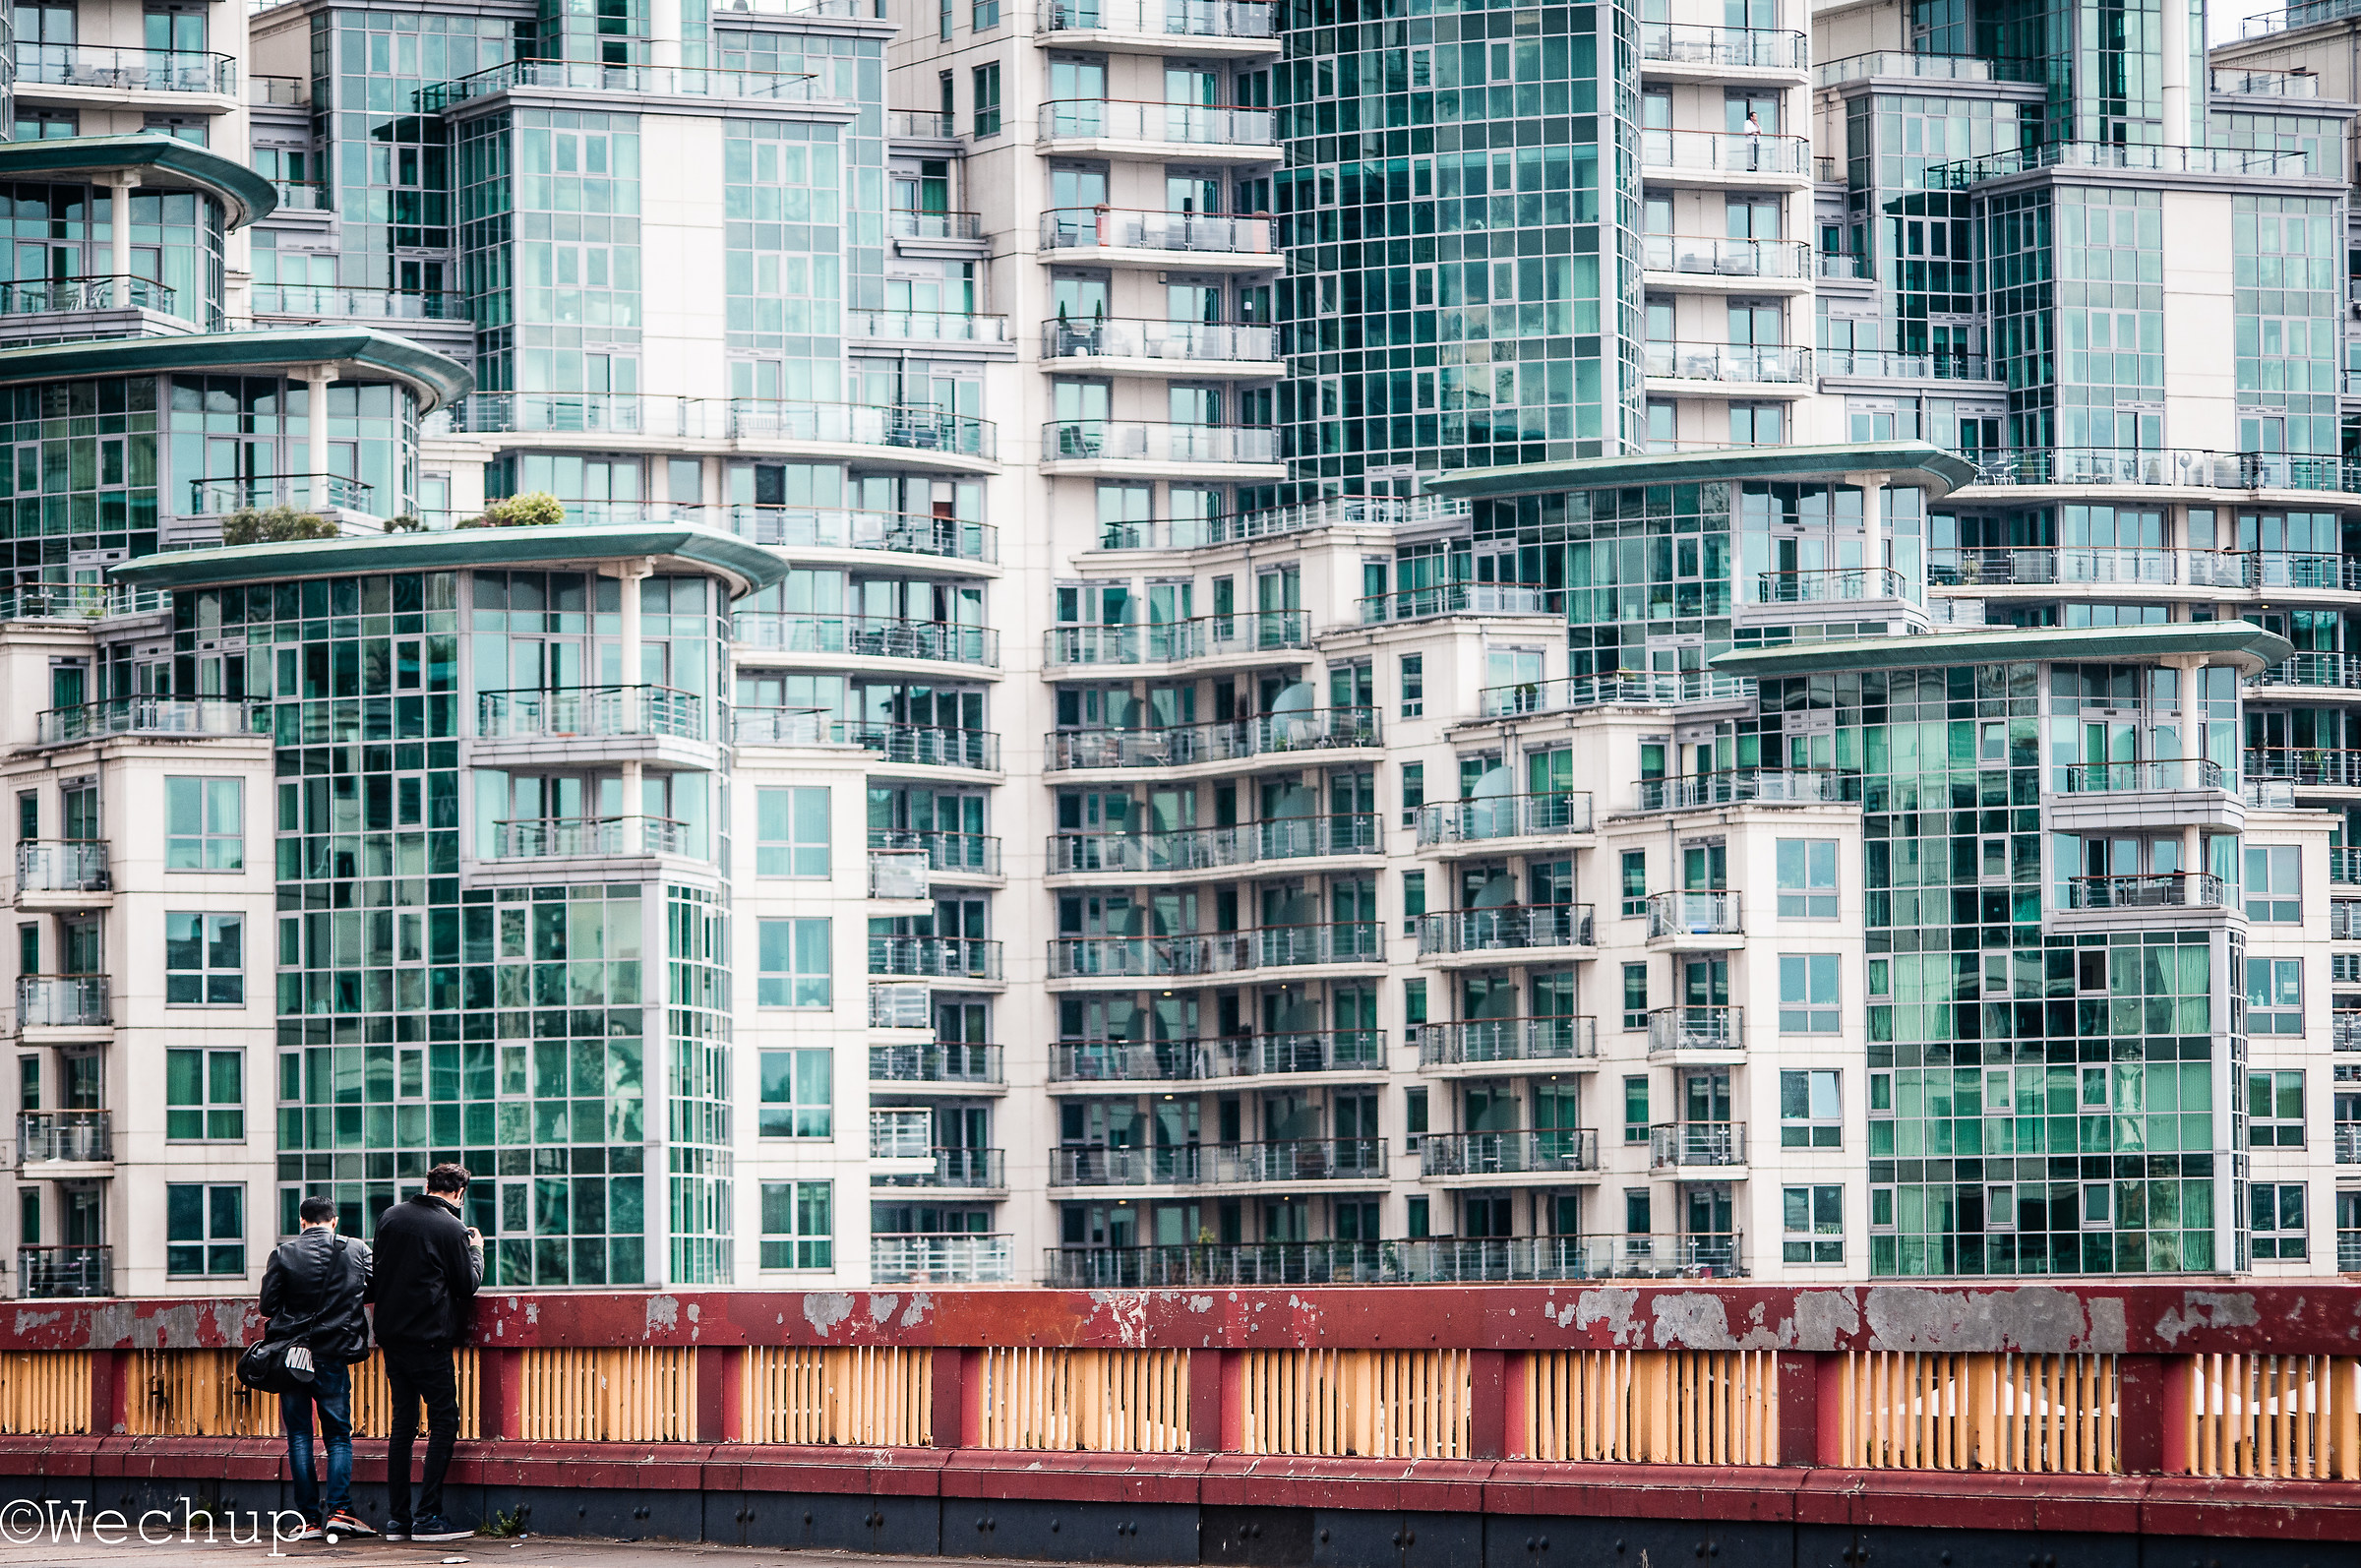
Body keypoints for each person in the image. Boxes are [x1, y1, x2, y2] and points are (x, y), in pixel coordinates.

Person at [370, 1164, 484, 1543]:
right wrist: (477, 1250)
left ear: (427, 1185)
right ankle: (428, 1517)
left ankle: (398, 1521)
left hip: (391, 1335)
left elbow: (378, 1272)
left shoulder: (391, 1217)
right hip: (429, 1338)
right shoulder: (452, 1229)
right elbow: (466, 1284)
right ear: (459, 1193)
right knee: (444, 1421)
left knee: (403, 1425)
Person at [260, 1196, 377, 1542]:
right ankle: (340, 1511)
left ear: (301, 1221)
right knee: (338, 1435)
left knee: (299, 1435)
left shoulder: (283, 1253)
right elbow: (374, 1288)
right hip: (333, 1351)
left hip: (292, 1356)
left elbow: (268, 1305)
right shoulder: (356, 1249)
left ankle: (307, 1520)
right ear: (335, 1221)